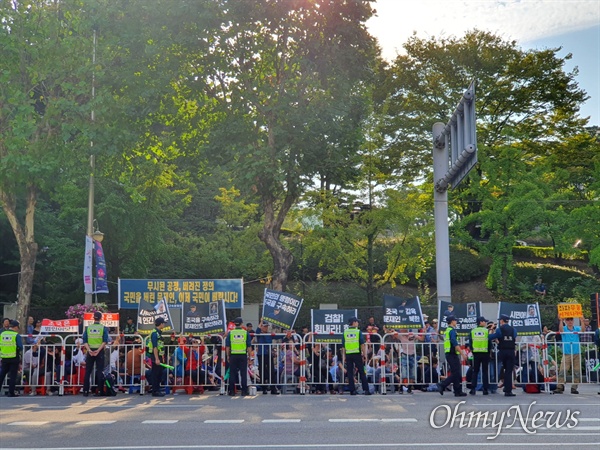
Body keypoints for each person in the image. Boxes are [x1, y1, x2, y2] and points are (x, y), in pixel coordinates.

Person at [488, 314, 517, 397]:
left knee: (502, 369)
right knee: (509, 371)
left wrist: (491, 330)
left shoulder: (499, 329)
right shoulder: (513, 329)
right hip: (511, 351)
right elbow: (514, 336)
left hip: (502, 351)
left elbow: (491, 337)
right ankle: (508, 390)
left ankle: (503, 387)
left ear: (502, 321)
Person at [437, 316, 467, 397]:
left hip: (449, 353)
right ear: (452, 321)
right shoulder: (452, 331)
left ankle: (458, 391)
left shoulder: (447, 330)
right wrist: (462, 353)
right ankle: (443, 385)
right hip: (452, 353)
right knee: (456, 372)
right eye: (455, 320)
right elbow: (454, 343)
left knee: (456, 373)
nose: (456, 322)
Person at [82, 311, 109, 397]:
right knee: (100, 371)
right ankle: (100, 391)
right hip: (99, 351)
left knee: (88, 371)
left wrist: (89, 350)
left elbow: (85, 341)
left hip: (90, 351)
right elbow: (105, 341)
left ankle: (85, 391)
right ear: (101, 318)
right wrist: (98, 350)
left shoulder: (88, 328)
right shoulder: (103, 328)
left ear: (93, 318)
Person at [342, 317, 371, 396]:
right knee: (362, 372)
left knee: (350, 373)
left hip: (348, 354)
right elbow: (362, 344)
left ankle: (352, 390)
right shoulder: (358, 332)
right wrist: (365, 355)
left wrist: (344, 356)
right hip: (357, 354)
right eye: (357, 322)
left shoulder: (345, 332)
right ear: (354, 323)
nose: (358, 323)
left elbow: (343, 346)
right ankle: (366, 390)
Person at [556, 315, 584, 394]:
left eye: (571, 319)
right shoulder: (564, 328)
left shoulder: (577, 328)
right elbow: (561, 330)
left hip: (576, 352)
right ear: (566, 321)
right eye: (568, 320)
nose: (570, 321)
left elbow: (583, 330)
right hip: (567, 353)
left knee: (577, 371)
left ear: (573, 321)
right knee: (562, 370)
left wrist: (582, 320)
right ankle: (560, 386)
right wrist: (561, 320)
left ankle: (574, 387)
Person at [226, 317, 251, 396]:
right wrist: (249, 356)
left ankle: (232, 391)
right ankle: (244, 391)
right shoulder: (245, 333)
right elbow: (249, 346)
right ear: (241, 324)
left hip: (233, 355)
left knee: (232, 373)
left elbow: (227, 346)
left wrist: (227, 355)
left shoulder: (231, 333)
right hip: (243, 355)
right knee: (243, 373)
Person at [253, 320, 279, 394]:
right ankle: (263, 388)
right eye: (264, 326)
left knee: (271, 370)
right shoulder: (259, 334)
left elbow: (278, 336)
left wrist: (287, 333)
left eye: (267, 326)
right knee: (262, 371)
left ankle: (273, 388)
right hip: (261, 354)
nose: (266, 328)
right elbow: (257, 331)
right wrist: (261, 322)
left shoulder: (269, 334)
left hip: (268, 354)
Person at [0, 320, 24, 397]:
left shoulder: (2, 334)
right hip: (14, 357)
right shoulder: (16, 335)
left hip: (4, 357)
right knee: (13, 375)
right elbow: (20, 346)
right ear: (16, 327)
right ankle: (11, 392)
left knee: (2, 375)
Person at [467, 316, 490, 395]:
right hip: (485, 353)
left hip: (476, 353)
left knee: (475, 371)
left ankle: (473, 389)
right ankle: (485, 389)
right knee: (485, 371)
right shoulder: (487, 331)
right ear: (480, 322)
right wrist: (489, 351)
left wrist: (473, 350)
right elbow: (489, 342)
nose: (485, 323)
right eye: (484, 321)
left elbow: (470, 342)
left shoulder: (473, 331)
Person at [147, 317, 167, 397]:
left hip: (159, 355)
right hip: (156, 356)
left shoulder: (158, 332)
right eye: (163, 323)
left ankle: (157, 389)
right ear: (161, 324)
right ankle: (155, 391)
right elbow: (155, 347)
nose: (164, 324)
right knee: (156, 373)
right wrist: (157, 359)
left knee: (159, 373)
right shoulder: (155, 333)